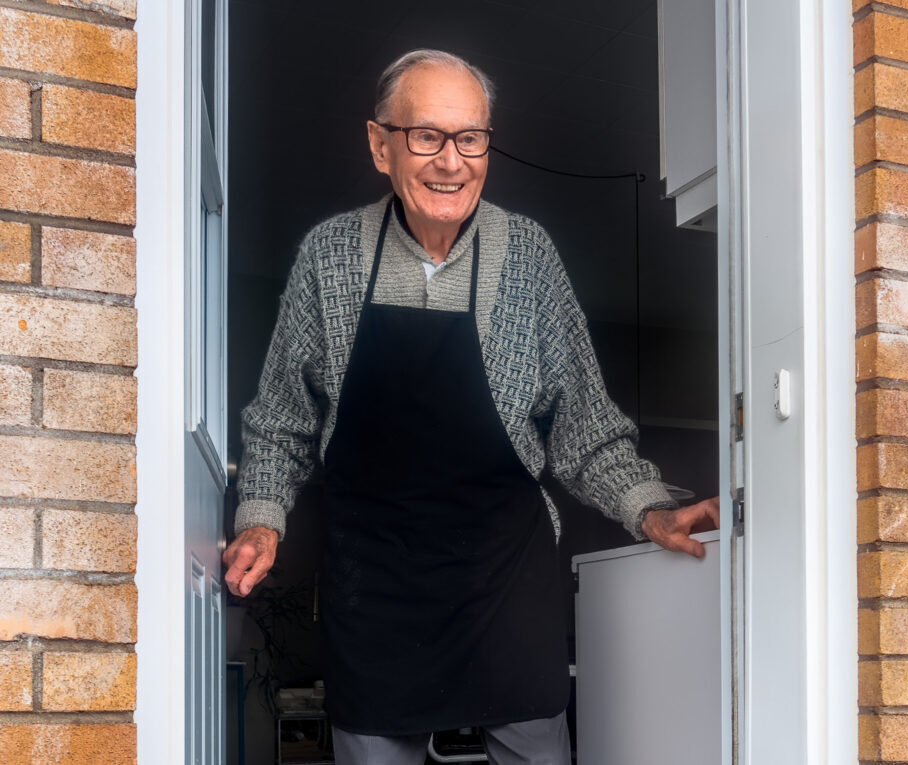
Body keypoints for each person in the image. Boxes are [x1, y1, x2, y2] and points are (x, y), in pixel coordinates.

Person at [223, 48, 720, 765]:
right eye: (427, 136)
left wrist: (648, 507)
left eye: (471, 138)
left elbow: (583, 425)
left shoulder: (529, 257)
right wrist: (261, 518)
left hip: (504, 582)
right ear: (380, 145)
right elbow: (280, 421)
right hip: (376, 589)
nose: (450, 162)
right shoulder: (329, 257)